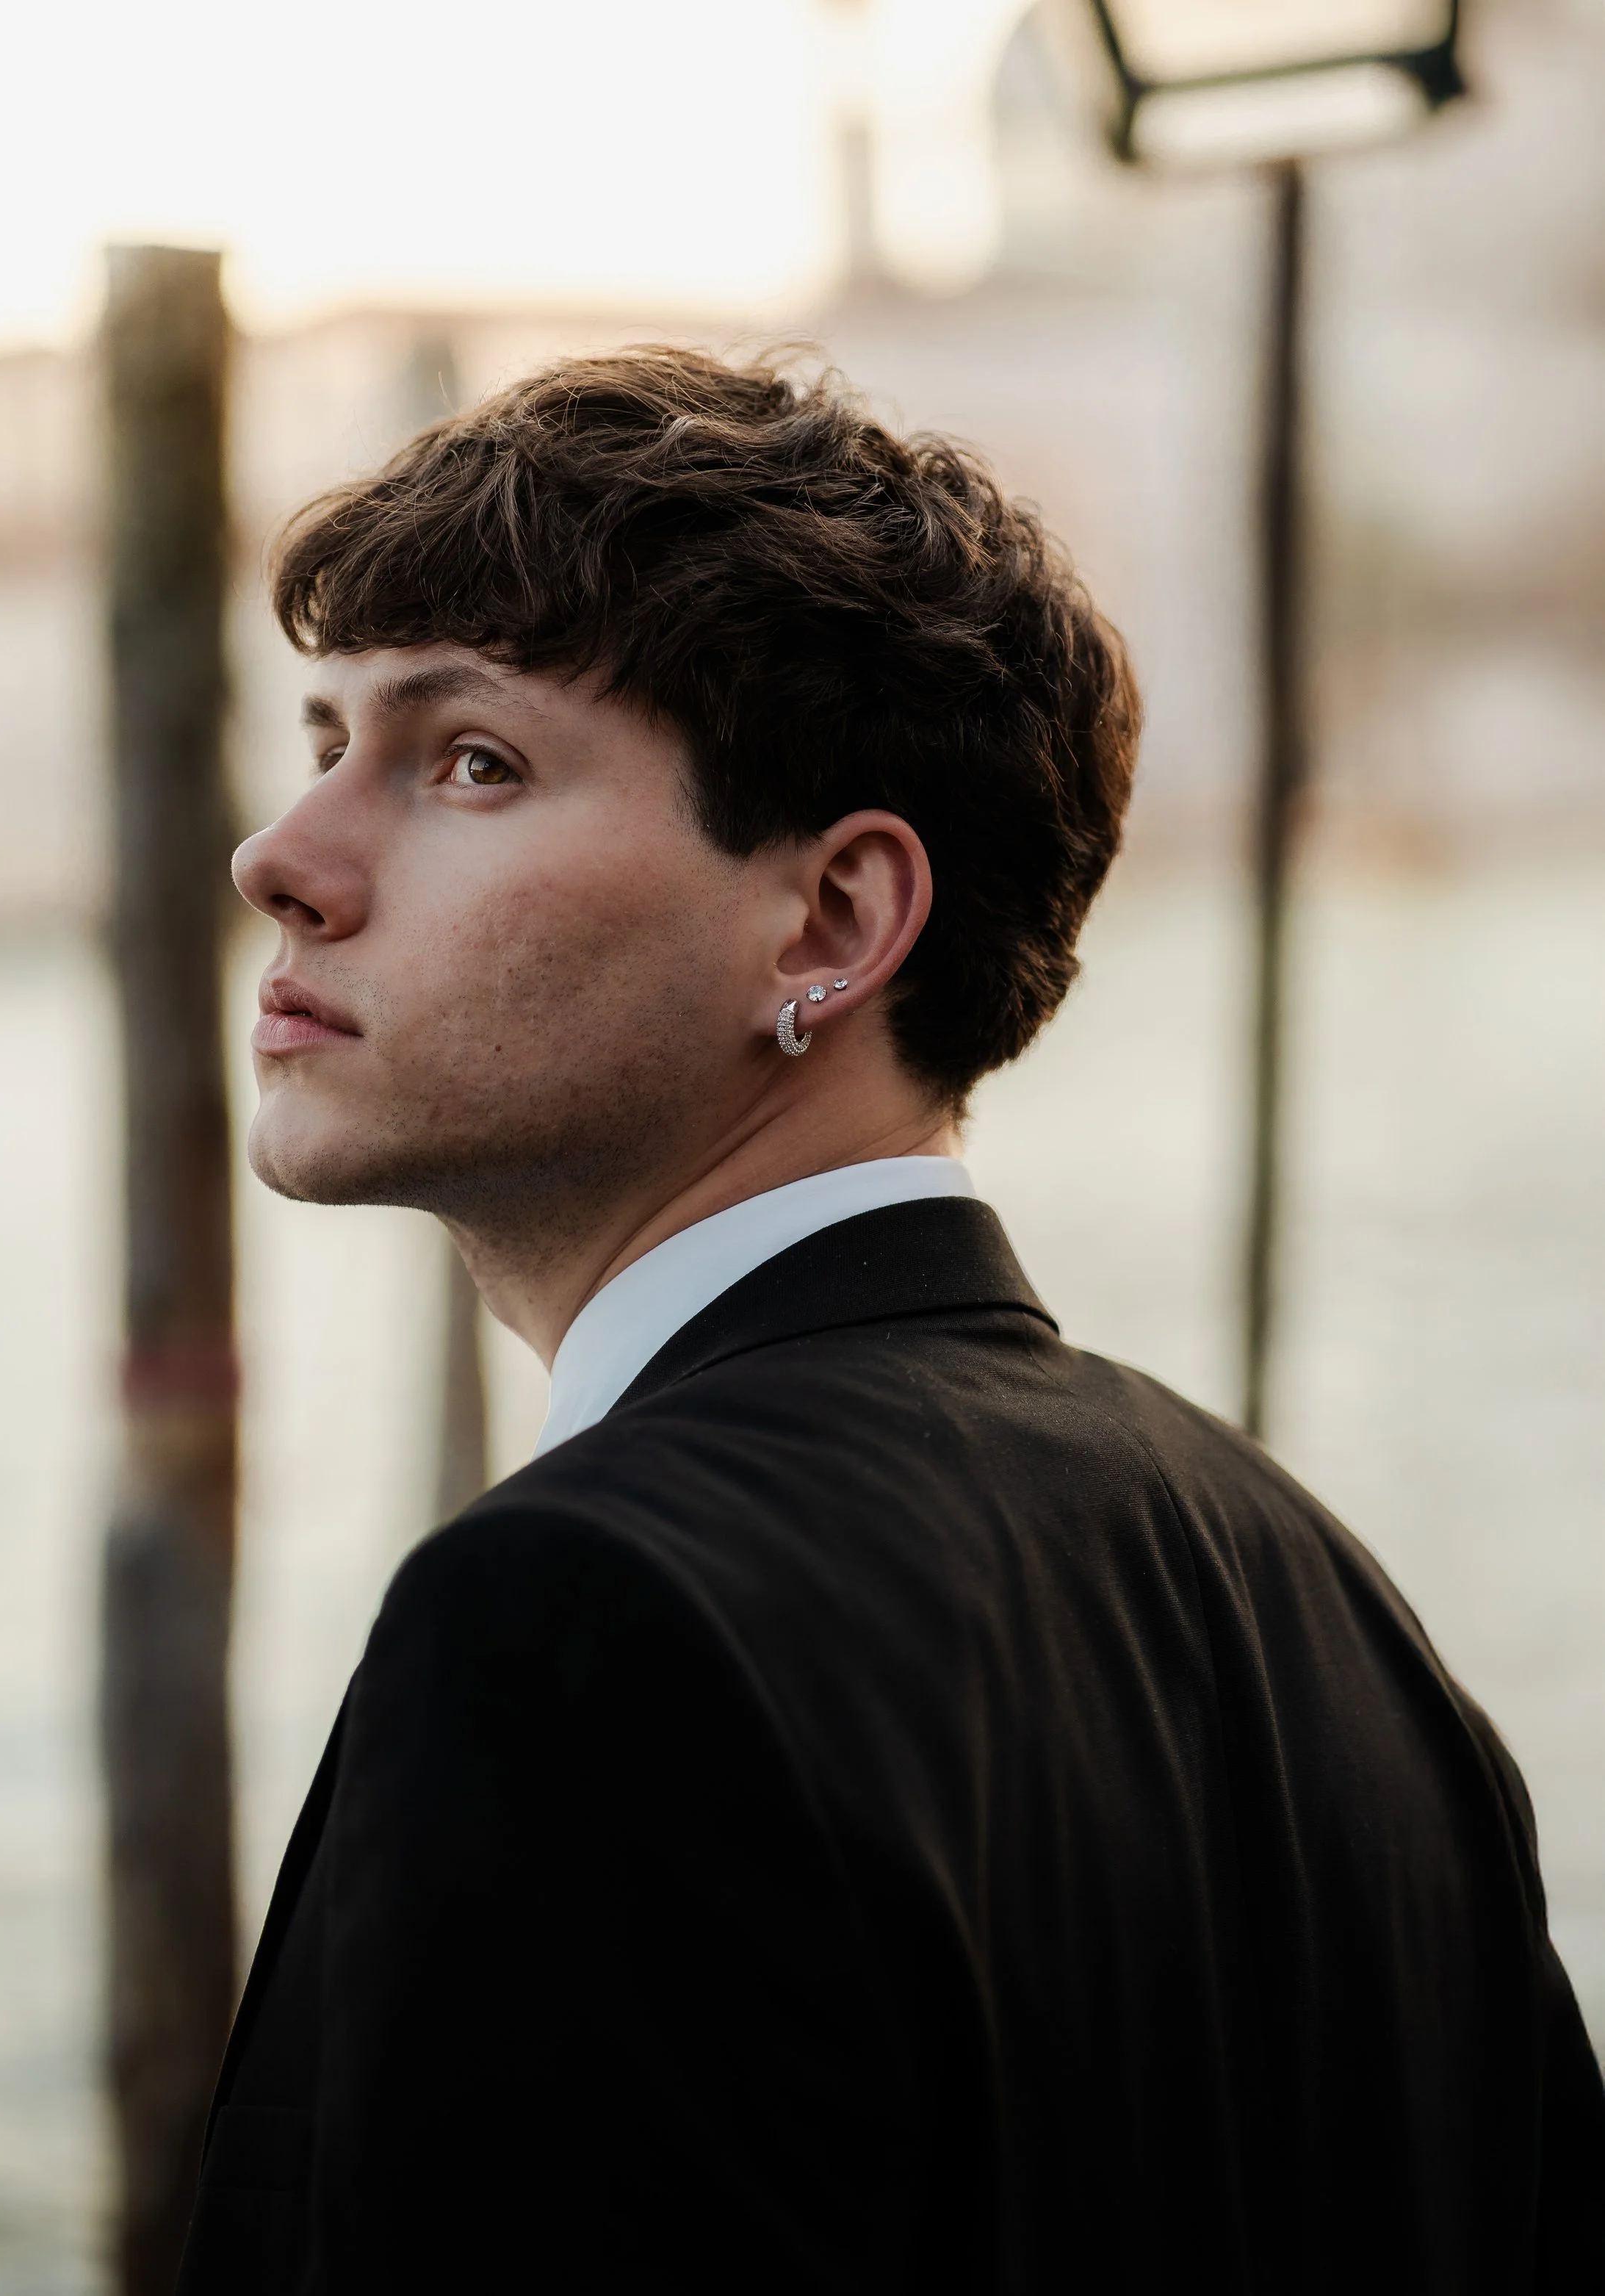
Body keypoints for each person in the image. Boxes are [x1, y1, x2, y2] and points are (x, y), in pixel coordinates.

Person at [176, 348, 1602, 2294]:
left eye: (470, 760)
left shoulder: (572, 1623)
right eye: (325, 738)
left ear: (835, 925)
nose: (285, 859)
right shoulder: (1328, 1610)